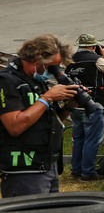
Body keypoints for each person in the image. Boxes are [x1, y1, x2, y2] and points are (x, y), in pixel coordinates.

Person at [0, 34, 84, 197]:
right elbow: (15, 126)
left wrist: (69, 105)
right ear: (36, 60)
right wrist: (48, 97)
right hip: (24, 170)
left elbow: (50, 120)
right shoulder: (6, 82)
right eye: (51, 67)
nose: (53, 73)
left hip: (48, 165)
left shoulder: (37, 82)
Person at [66, 34, 104, 181]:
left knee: (78, 139)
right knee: (92, 140)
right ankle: (88, 173)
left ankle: (76, 170)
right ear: (93, 47)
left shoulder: (70, 61)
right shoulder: (97, 60)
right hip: (93, 105)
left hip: (74, 106)